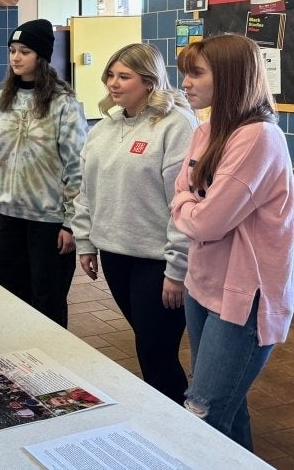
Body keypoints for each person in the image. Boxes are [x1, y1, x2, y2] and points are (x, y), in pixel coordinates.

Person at [173, 33, 294, 450]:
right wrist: (192, 208)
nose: (185, 83)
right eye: (185, 73)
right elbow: (183, 195)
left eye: (196, 73)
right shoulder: (206, 130)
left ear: (230, 77)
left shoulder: (259, 137)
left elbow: (206, 221)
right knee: (228, 404)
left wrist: (190, 207)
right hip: (203, 282)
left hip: (245, 295)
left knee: (202, 414)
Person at [71, 43, 197, 404]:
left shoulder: (177, 125)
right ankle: (170, 415)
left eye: (124, 76)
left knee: (156, 353)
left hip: (157, 260)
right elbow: (86, 190)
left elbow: (183, 202)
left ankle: (180, 425)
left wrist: (177, 268)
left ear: (150, 80)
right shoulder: (104, 128)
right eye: (110, 74)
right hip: (115, 254)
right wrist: (85, 242)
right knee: (147, 344)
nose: (113, 83)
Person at [0, 19, 87, 327]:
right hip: (6, 216)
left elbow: (77, 166)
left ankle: (51, 367)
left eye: (25, 51)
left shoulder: (63, 104)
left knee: (47, 299)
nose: (16, 57)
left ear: (42, 56)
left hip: (48, 221)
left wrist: (72, 222)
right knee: (10, 297)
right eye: (12, 50)